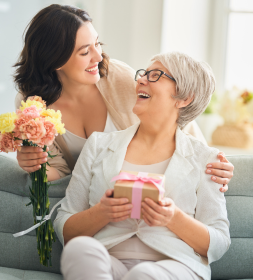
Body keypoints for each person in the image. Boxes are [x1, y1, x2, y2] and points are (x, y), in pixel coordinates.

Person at [14, 4, 233, 189]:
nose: (98, 56)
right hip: (95, 197)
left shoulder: (118, 77)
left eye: (97, 43)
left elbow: (175, 118)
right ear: (55, 60)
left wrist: (212, 162)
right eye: (84, 52)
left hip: (146, 187)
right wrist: (35, 165)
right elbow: (60, 173)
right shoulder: (32, 105)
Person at [54, 52, 230, 280]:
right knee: (79, 250)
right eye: (143, 74)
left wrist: (173, 218)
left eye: (156, 75)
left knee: (144, 274)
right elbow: (64, 226)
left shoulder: (207, 159)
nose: (141, 80)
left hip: (174, 265)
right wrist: (102, 212)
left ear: (184, 98)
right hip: (107, 262)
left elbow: (218, 243)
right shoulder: (99, 145)